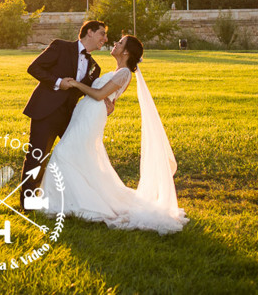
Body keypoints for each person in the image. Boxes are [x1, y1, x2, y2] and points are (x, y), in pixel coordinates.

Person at [40, 35, 188, 234]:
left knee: (63, 154)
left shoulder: (125, 73)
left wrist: (75, 84)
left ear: (126, 52)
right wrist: (108, 105)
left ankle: (74, 203)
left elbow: (100, 95)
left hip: (92, 117)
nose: (115, 44)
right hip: (85, 113)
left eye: (119, 43)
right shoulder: (117, 72)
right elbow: (109, 100)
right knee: (78, 156)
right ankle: (73, 200)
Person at [19, 20, 112, 210]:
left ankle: (77, 200)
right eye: (102, 33)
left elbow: (91, 93)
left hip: (70, 118)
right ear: (89, 32)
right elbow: (34, 68)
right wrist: (58, 81)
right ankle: (27, 204)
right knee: (37, 157)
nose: (105, 38)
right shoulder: (60, 46)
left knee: (78, 156)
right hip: (45, 111)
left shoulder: (95, 67)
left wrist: (107, 102)